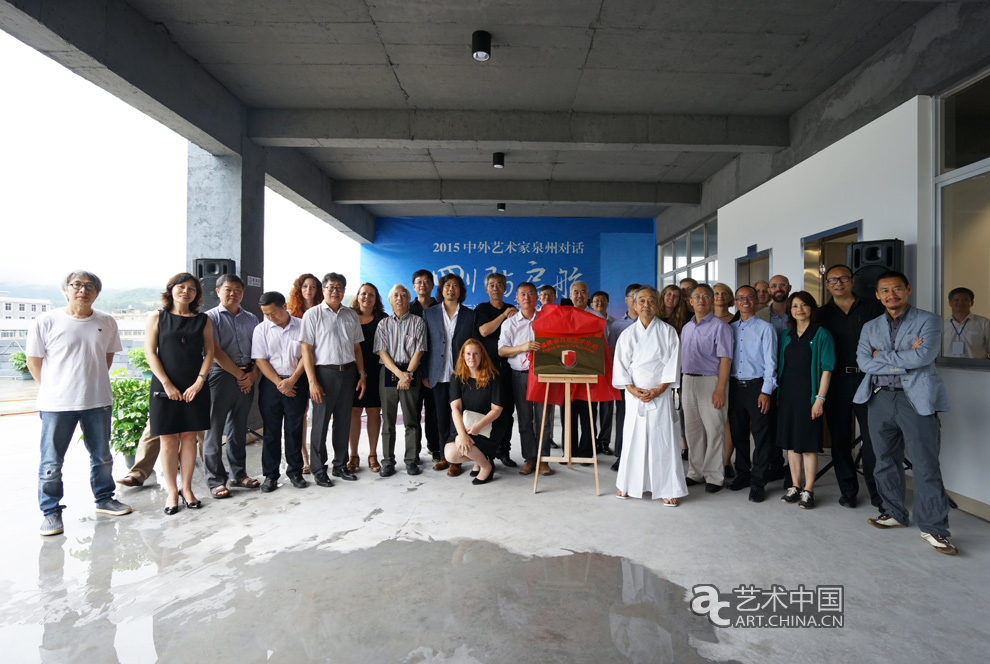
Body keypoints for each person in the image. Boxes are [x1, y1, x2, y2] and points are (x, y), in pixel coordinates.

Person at [855, 271, 957, 555]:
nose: (892, 295)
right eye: (885, 290)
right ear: (878, 295)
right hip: (879, 397)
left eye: (897, 289)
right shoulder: (870, 326)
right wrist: (902, 358)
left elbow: (923, 357)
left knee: (925, 464)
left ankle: (934, 527)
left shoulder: (928, 320)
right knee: (885, 459)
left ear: (908, 289)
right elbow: (864, 363)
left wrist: (880, 356)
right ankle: (894, 512)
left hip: (915, 399)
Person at [28, 270, 131, 536]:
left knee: (102, 456)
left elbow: (106, 358)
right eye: (77, 285)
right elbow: (34, 362)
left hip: (97, 400)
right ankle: (51, 512)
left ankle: (104, 499)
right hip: (57, 404)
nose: (83, 290)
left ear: (97, 292)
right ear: (65, 289)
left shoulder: (106, 321)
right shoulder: (45, 321)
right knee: (51, 462)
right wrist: (54, 388)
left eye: (90, 286)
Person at [146, 272, 214, 513]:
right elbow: (150, 353)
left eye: (191, 289)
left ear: (197, 294)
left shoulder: (203, 320)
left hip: (194, 386)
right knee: (167, 439)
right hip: (164, 387)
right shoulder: (157, 317)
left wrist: (199, 382)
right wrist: (166, 383)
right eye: (181, 287)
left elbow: (209, 353)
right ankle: (172, 492)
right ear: (171, 289)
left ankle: (187, 488)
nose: (186, 292)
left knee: (189, 438)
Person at [612, 287, 686, 505]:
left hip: (659, 392)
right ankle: (627, 483)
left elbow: (673, 364)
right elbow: (620, 366)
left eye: (651, 300)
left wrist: (659, 390)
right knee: (633, 437)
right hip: (634, 393)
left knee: (662, 438)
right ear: (634, 305)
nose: (646, 305)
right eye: (641, 301)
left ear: (657, 304)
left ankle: (668, 487)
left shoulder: (668, 332)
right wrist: (631, 389)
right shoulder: (627, 334)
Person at [819, 264, 884, 509]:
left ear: (852, 281)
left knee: (873, 438)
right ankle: (848, 491)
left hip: (869, 378)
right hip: (836, 381)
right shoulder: (821, 314)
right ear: (827, 285)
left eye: (843, 278)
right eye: (833, 280)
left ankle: (878, 493)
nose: (838, 283)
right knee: (840, 439)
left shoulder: (873, 307)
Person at [300, 272, 367, 487]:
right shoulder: (313, 314)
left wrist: (362, 374)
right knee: (320, 424)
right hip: (323, 374)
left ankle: (340, 465)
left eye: (339, 287)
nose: (335, 291)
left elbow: (357, 348)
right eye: (330, 287)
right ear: (323, 289)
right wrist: (312, 381)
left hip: (348, 373)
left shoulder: (351, 315)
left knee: (343, 422)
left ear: (344, 291)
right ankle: (319, 469)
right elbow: (306, 349)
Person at [203, 274, 260, 499]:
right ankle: (216, 480)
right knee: (214, 429)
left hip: (247, 374)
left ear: (243, 293)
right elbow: (215, 351)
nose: (233, 293)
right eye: (228, 289)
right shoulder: (210, 317)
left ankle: (238, 474)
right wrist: (240, 376)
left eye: (238, 289)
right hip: (220, 376)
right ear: (218, 292)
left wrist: (252, 374)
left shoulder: (251, 318)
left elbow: (258, 349)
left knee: (238, 427)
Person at [776, 291, 834, 510]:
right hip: (787, 396)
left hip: (809, 397)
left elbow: (827, 369)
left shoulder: (822, 334)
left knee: (808, 445)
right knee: (791, 445)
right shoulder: (786, 335)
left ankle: (809, 489)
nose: (799, 309)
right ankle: (795, 485)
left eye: (804, 305)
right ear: (789, 310)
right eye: (794, 306)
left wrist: (819, 399)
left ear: (812, 308)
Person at [252, 291, 309, 492]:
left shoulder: (302, 325)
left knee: (294, 429)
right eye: (266, 314)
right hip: (271, 384)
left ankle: (295, 472)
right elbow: (260, 359)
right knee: (271, 431)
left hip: (297, 382)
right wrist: (280, 383)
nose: (270, 317)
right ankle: (270, 475)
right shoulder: (261, 329)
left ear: (284, 306)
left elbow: (307, 355)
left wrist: (292, 380)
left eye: (273, 313)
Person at [726, 285, 778, 503]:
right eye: (740, 298)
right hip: (734, 387)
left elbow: (771, 362)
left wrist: (766, 391)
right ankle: (743, 474)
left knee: (761, 435)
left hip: (757, 387)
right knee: (738, 434)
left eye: (749, 297)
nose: (745, 301)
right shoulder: (729, 328)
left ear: (756, 301)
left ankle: (758, 481)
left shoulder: (766, 328)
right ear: (735, 302)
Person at [680, 284, 733, 493]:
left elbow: (726, 359)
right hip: (688, 380)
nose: (701, 300)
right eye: (697, 297)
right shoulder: (687, 327)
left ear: (711, 301)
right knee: (693, 430)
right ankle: (696, 472)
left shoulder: (721, 327)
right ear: (690, 301)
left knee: (714, 429)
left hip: (711, 381)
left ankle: (714, 476)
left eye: (705, 296)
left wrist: (720, 389)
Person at [423, 273, 477, 476]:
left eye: (455, 285)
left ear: (460, 291)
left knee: (459, 418)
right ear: (441, 289)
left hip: (461, 374)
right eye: (447, 285)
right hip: (437, 374)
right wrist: (425, 373)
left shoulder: (469, 315)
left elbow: (474, 346)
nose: (451, 289)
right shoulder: (429, 314)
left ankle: (457, 459)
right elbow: (424, 346)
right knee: (441, 417)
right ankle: (444, 456)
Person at [498, 282, 553, 476]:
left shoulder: (546, 319)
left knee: (544, 419)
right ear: (516, 298)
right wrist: (522, 347)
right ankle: (530, 458)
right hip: (519, 376)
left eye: (531, 294)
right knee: (524, 419)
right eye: (522, 294)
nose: (526, 298)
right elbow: (501, 350)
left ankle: (544, 459)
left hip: (543, 375)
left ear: (537, 298)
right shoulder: (510, 323)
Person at [374, 284, 427, 477]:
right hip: (390, 370)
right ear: (390, 300)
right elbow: (382, 351)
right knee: (388, 419)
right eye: (395, 295)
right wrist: (400, 374)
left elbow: (419, 351)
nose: (399, 298)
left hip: (410, 371)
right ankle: (388, 461)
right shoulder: (383, 324)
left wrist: (408, 373)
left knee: (411, 419)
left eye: (403, 295)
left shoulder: (418, 322)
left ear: (408, 299)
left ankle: (411, 460)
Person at [444, 340, 503, 485]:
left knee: (461, 446)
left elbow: (497, 409)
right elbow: (455, 409)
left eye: (476, 353)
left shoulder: (493, 376)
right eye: (468, 354)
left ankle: (485, 466)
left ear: (482, 355)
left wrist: (477, 427)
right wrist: (462, 434)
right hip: (466, 424)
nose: (472, 357)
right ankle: (481, 458)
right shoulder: (457, 377)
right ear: (463, 356)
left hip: (489, 425)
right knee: (450, 454)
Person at [474, 273, 518, 467]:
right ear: (486, 289)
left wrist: (509, 313)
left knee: (507, 412)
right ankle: (487, 453)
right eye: (491, 285)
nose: (495, 288)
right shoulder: (482, 309)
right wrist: (503, 315)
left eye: (499, 285)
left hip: (508, 368)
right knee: (487, 412)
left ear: (505, 288)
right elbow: (484, 331)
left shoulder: (512, 309)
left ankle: (504, 451)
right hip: (488, 369)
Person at [287, 272, 324, 474]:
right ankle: (304, 455)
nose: (309, 290)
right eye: (305, 287)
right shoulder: (292, 314)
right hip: (299, 370)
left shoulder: (323, 311)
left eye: (313, 286)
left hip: (322, 367)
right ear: (299, 290)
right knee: (301, 414)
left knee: (321, 414)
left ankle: (321, 455)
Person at [347, 283, 386, 474]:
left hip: (376, 371)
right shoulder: (349, 317)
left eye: (371, 294)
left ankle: (372, 454)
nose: (367, 297)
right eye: (363, 294)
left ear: (376, 298)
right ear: (358, 296)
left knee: (374, 411)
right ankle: (353, 455)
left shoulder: (383, 319)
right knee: (354, 411)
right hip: (352, 370)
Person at [608, 283, 643, 471]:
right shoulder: (617, 325)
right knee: (623, 417)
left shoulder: (653, 325)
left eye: (640, 297)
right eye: (633, 296)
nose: (637, 300)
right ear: (627, 300)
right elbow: (613, 353)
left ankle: (641, 456)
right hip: (626, 380)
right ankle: (621, 455)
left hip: (647, 379)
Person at [567, 280, 603, 464]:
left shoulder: (597, 317)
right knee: (568, 414)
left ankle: (586, 452)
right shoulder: (564, 315)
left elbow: (603, 346)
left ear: (588, 295)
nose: (579, 295)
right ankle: (569, 451)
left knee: (588, 414)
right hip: (566, 373)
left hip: (589, 373)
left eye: (582, 292)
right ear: (570, 295)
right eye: (575, 292)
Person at [409, 269, 441, 462]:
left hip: (434, 367)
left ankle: (435, 447)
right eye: (419, 282)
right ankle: (414, 451)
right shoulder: (408, 308)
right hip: (412, 369)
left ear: (432, 285)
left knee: (433, 411)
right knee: (413, 412)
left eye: (427, 281)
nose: (423, 285)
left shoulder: (440, 308)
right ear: (414, 286)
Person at [659, 284, 691, 463]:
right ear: (663, 296)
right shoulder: (654, 316)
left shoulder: (684, 319)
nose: (671, 298)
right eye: (668, 294)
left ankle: (685, 445)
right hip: (657, 370)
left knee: (682, 408)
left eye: (676, 296)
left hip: (679, 367)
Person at [591, 290, 617, 456]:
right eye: (596, 301)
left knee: (607, 409)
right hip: (592, 369)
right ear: (591, 304)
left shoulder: (615, 324)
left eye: (602, 300)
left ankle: (604, 441)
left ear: (607, 303)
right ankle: (592, 440)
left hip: (610, 370)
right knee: (591, 408)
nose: (599, 303)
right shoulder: (587, 321)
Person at [943, 287, 990, 359]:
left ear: (972, 303)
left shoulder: (984, 323)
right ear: (950, 303)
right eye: (956, 300)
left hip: (975, 365)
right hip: (948, 365)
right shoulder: (943, 325)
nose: (960, 302)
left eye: (965, 300)